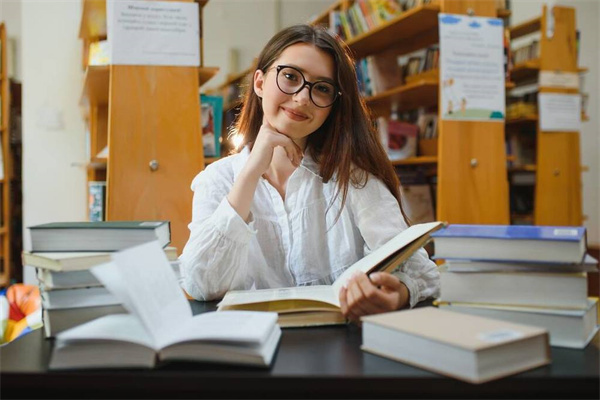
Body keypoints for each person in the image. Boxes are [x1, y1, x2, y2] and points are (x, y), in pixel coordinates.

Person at [180, 24, 439, 323]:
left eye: (322, 88)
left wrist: (399, 294)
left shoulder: (353, 178)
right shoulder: (217, 180)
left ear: (332, 106)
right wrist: (250, 172)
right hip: (248, 351)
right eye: (291, 76)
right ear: (260, 82)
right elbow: (200, 285)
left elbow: (422, 272)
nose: (303, 97)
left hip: (339, 354)